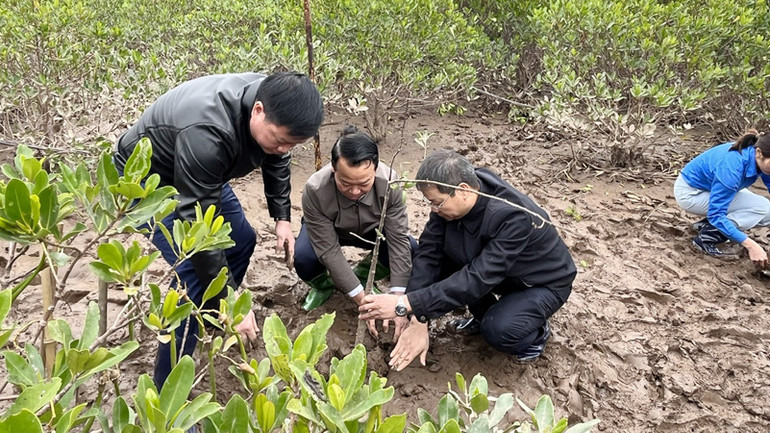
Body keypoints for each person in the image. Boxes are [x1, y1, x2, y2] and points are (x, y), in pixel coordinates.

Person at [113, 72, 323, 389]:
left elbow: (278, 157)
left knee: (242, 240)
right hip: (146, 180)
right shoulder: (208, 132)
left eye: (292, 144)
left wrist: (282, 217)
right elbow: (196, 228)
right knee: (192, 275)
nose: (284, 149)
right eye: (280, 140)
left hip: (199, 175)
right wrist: (231, 299)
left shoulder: (276, 102)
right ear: (258, 111)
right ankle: (167, 390)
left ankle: (212, 316)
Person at [358, 150, 575, 370]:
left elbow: (478, 278)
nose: (433, 209)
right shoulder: (453, 193)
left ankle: (536, 333)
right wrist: (417, 316)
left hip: (540, 283)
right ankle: (484, 314)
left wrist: (403, 304)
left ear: (463, 190)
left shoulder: (512, 217)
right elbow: (429, 253)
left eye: (437, 203)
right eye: (430, 202)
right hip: (497, 269)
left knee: (499, 329)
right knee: (435, 257)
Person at [294, 125, 417, 333]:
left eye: (363, 183)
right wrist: (364, 302)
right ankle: (324, 286)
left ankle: (363, 275)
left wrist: (397, 303)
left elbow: (398, 241)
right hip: (329, 230)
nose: (354, 191)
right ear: (333, 169)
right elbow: (329, 250)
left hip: (372, 230)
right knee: (304, 257)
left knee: (411, 246)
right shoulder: (315, 189)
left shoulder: (391, 183)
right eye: (345, 183)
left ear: (375, 169)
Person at [674, 129, 770, 267]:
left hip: (711, 188)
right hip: (691, 194)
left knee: (767, 213)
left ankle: (705, 226)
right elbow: (716, 214)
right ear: (759, 152)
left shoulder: (758, 157)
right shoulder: (732, 168)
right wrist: (751, 245)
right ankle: (706, 238)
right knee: (762, 208)